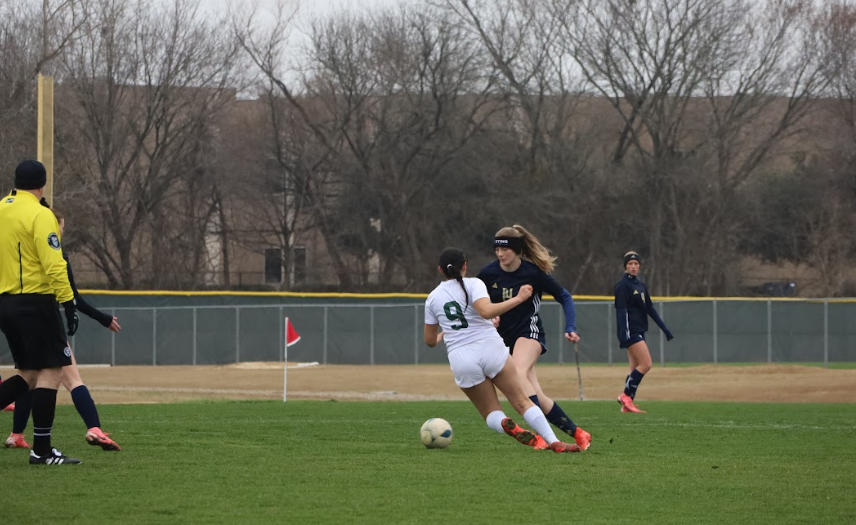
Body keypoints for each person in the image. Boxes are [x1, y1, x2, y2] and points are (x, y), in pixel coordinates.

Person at [424, 247, 580, 453]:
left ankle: (507, 423)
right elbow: (486, 311)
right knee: (522, 401)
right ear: (465, 265)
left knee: (491, 412)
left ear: (440, 270)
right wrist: (518, 298)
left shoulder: (433, 298)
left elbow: (429, 341)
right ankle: (554, 442)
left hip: (462, 358)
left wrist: (440, 337)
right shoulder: (475, 284)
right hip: (490, 347)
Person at [5, 209, 122, 451]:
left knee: (29, 378)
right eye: (60, 227)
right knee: (72, 379)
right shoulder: (54, 255)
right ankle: (93, 428)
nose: (61, 232)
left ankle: (16, 435)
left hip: (17, 317)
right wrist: (101, 318)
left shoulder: (19, 253)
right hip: (45, 323)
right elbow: (73, 297)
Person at [477, 225, 591, 450]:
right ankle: (579, 433)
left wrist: (571, 325)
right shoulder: (488, 274)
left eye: (506, 250)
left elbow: (564, 296)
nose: (500, 254)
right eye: (497, 250)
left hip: (529, 333)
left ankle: (546, 439)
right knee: (535, 393)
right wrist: (489, 318)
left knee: (516, 374)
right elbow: (479, 305)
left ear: (517, 250)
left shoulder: (533, 273)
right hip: (501, 339)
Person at [0, 159, 81, 465]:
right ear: (42, 185)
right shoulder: (40, 213)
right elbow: (53, 263)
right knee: (53, 369)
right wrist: (69, 302)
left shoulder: (2, 208)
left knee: (29, 374)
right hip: (35, 301)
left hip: (5, 302)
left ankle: (42, 450)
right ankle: (42, 451)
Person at [614, 251, 674, 413]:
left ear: (639, 266)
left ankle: (627, 405)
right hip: (630, 331)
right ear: (625, 266)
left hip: (640, 330)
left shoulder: (640, 285)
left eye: (636, 264)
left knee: (634, 369)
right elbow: (621, 312)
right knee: (646, 364)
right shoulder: (622, 286)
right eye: (630, 264)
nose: (633, 266)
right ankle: (625, 396)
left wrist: (664, 329)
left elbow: (650, 309)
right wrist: (624, 334)